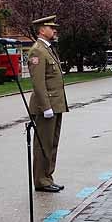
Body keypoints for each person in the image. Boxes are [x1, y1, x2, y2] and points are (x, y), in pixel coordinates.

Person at [27, 15, 68, 193]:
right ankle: (41, 180)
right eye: (51, 27)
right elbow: (38, 83)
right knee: (43, 144)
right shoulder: (37, 50)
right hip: (46, 107)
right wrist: (46, 107)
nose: (54, 30)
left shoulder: (48, 49)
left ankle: (47, 177)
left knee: (52, 143)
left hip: (55, 104)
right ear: (42, 30)